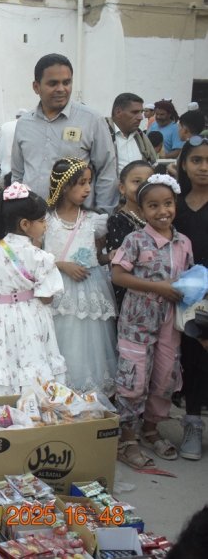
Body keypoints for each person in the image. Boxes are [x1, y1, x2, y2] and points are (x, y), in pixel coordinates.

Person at [111, 174, 192, 469]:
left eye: (168, 204)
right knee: (133, 381)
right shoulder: (135, 240)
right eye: (154, 205)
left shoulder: (183, 242)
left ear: (175, 205)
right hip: (137, 324)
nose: (162, 211)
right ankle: (127, 438)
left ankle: (150, 429)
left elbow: (189, 277)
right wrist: (160, 288)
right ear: (142, 210)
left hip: (170, 324)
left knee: (164, 378)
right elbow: (118, 275)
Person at [0, 183, 67, 396]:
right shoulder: (39, 257)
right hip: (32, 316)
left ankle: (2, 409)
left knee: (3, 362)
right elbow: (47, 298)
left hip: (1, 317)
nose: (45, 225)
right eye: (41, 220)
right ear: (25, 224)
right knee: (33, 362)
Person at [44, 158, 117, 394]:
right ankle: (58, 388)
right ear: (64, 186)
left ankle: (86, 393)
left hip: (89, 288)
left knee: (87, 343)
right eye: (81, 183)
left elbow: (97, 255)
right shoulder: (46, 221)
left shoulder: (94, 221)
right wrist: (62, 264)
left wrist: (111, 257)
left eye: (89, 183)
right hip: (57, 291)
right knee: (59, 338)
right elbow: (35, 257)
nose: (87, 188)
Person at [12, 53, 117, 212]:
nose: (61, 89)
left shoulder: (92, 120)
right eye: (53, 83)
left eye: (66, 82)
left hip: (76, 223)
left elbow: (106, 172)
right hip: (32, 220)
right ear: (36, 87)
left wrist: (102, 217)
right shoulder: (24, 124)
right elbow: (18, 174)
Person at [171, 136, 208, 461]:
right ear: (184, 163)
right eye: (197, 160)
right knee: (189, 360)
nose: (204, 167)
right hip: (178, 298)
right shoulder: (175, 205)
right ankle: (192, 422)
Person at [106, 160, 153, 308]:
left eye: (149, 181)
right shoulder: (118, 220)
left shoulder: (160, 217)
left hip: (159, 291)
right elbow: (121, 262)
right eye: (137, 181)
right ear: (122, 187)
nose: (144, 186)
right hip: (131, 294)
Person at [108, 93, 158, 173]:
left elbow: (153, 163)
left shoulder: (141, 137)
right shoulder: (102, 134)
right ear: (118, 112)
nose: (141, 117)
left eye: (141, 112)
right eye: (135, 112)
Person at [0, 108, 27, 180]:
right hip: (20, 169)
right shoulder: (26, 126)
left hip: (4, 166)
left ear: (16, 116)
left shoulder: (5, 126)